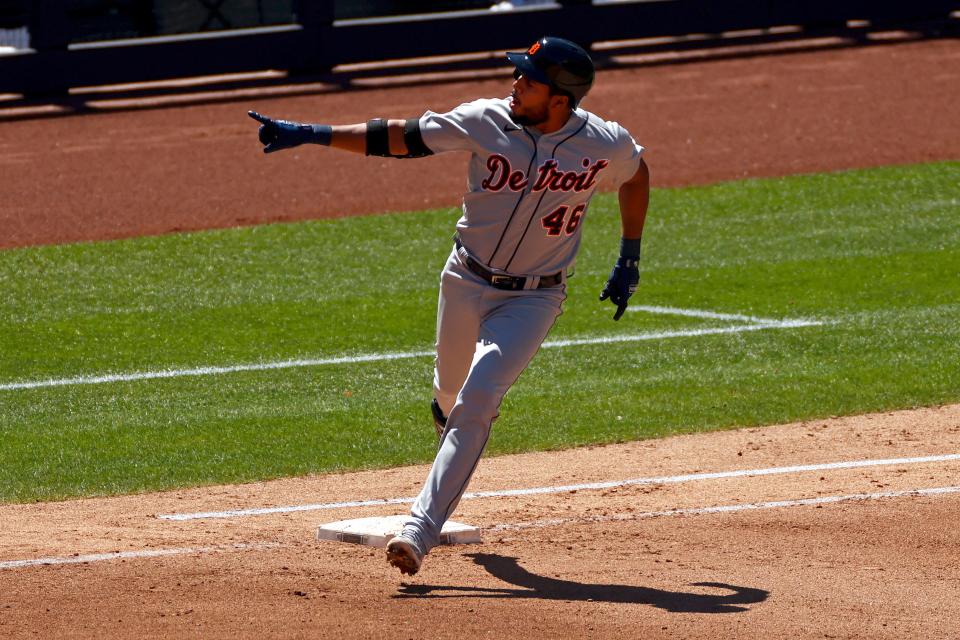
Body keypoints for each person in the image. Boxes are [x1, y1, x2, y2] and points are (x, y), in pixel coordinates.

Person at [249, 36, 649, 576]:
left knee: (479, 396)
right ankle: (450, 435)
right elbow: (401, 137)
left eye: (528, 79)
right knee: (448, 391)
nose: (515, 84)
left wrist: (629, 255)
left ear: (559, 97)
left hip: (534, 296)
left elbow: (637, 172)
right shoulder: (486, 119)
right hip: (464, 279)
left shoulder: (603, 142)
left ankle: (419, 528)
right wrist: (313, 134)